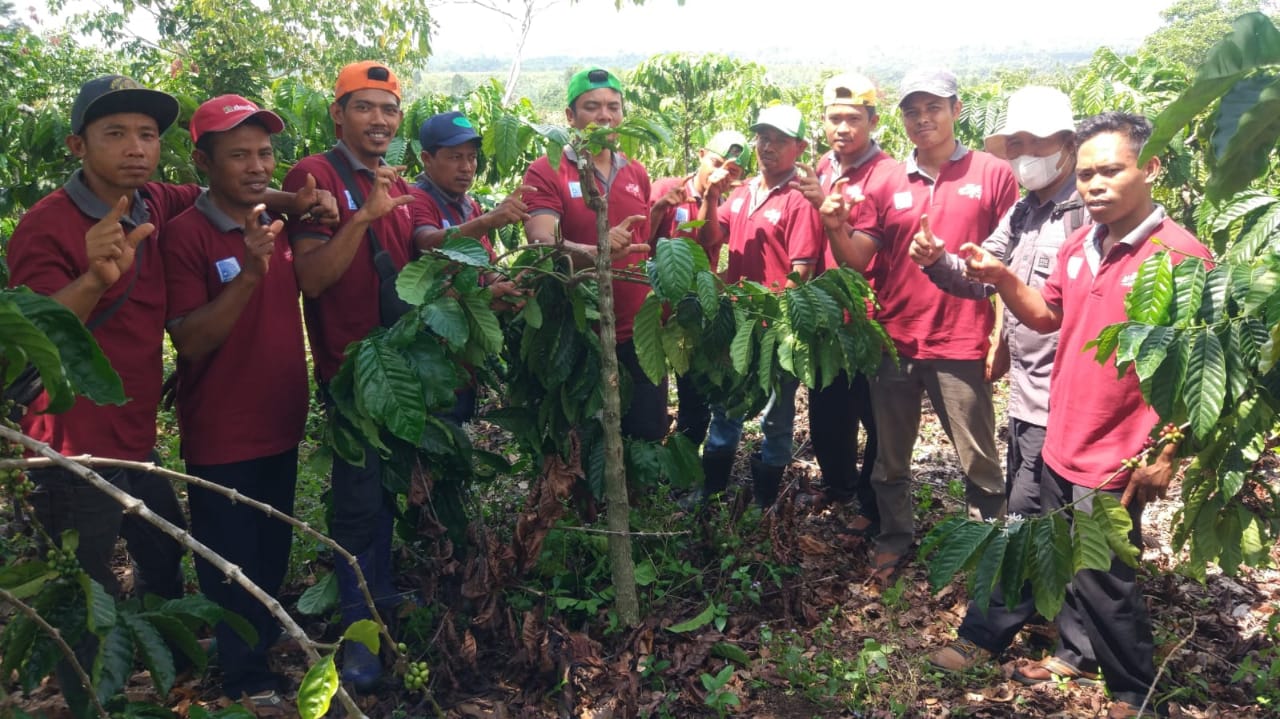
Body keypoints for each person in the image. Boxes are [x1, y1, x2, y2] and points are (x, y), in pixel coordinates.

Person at [6, 76, 331, 600]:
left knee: (163, 553)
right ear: (77, 146)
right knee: (83, 593)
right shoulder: (46, 227)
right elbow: (30, 336)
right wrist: (94, 278)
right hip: (68, 445)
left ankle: (169, 668)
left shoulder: (154, 202)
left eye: (147, 134)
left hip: (134, 436)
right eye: (115, 133)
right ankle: (90, 680)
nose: (136, 148)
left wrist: (298, 200)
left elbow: (229, 190)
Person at [959, 110, 1208, 719]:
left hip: (1116, 449)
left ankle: (1133, 691)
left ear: (1149, 170)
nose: (1094, 185)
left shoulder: (1180, 258)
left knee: (1104, 576)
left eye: (1111, 171)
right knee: (1051, 550)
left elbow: (1200, 374)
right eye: (1089, 174)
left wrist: (1165, 454)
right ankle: (1074, 653)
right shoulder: (1079, 245)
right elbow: (1046, 315)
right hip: (1060, 434)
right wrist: (998, 276)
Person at [915, 87, 1097, 684]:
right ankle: (1069, 638)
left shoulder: (1090, 211)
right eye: (1015, 145)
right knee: (1050, 519)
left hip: (1069, 400)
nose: (1024, 156)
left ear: (1068, 145)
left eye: (1035, 144)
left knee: (1030, 520)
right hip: (1029, 392)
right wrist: (937, 260)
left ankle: (988, 633)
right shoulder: (1024, 212)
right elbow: (979, 278)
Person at [827, 68, 1018, 585]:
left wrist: (1000, 334)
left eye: (933, 107)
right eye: (912, 110)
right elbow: (858, 259)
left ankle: (988, 549)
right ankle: (895, 537)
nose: (922, 118)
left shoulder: (992, 173)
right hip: (895, 338)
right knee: (890, 458)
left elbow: (1011, 260)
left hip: (961, 338)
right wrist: (833, 226)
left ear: (956, 109)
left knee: (978, 459)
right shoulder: (889, 179)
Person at [282, 60, 431, 690]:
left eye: (389, 109)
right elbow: (311, 279)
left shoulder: (388, 180)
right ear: (337, 114)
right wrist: (364, 216)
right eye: (364, 107)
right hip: (349, 371)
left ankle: (382, 595)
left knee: (383, 491)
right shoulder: (314, 177)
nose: (379, 119)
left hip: (398, 368)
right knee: (354, 501)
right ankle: (355, 631)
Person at [160, 95, 308, 707]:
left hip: (282, 418)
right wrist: (249, 273)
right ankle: (244, 676)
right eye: (238, 155)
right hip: (223, 428)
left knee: (271, 549)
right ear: (203, 161)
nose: (256, 166)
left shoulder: (274, 222)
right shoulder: (186, 236)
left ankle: (262, 647)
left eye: (265, 153)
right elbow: (190, 340)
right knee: (230, 560)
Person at [521, 67, 663, 444]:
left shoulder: (636, 172)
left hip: (636, 332)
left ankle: (638, 503)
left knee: (646, 433)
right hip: (578, 330)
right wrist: (597, 249)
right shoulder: (546, 170)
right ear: (570, 116)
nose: (605, 116)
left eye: (613, 107)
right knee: (582, 442)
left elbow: (642, 245)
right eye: (592, 106)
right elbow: (540, 241)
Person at [700, 105, 825, 507]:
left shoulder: (798, 199)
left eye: (780, 140)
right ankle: (713, 492)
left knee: (775, 414)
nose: (768, 146)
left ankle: (765, 502)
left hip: (774, 326)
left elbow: (801, 272)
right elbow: (708, 238)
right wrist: (711, 193)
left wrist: (777, 326)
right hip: (735, 320)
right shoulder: (743, 191)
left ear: (800, 147)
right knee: (725, 407)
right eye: (763, 138)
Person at [791, 72, 896, 536]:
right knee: (827, 410)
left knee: (875, 417)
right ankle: (838, 484)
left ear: (872, 121)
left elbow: (860, 258)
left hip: (870, 319)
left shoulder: (886, 175)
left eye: (853, 119)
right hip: (826, 318)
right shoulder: (824, 168)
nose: (843, 129)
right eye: (835, 119)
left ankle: (872, 506)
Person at [648, 129, 746, 444]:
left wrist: (712, 198)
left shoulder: (721, 205)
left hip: (690, 319)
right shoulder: (666, 188)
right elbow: (638, 240)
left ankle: (684, 463)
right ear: (702, 155)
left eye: (732, 172)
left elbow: (708, 241)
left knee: (694, 398)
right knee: (649, 393)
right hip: (650, 311)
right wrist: (660, 207)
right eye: (717, 163)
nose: (722, 174)